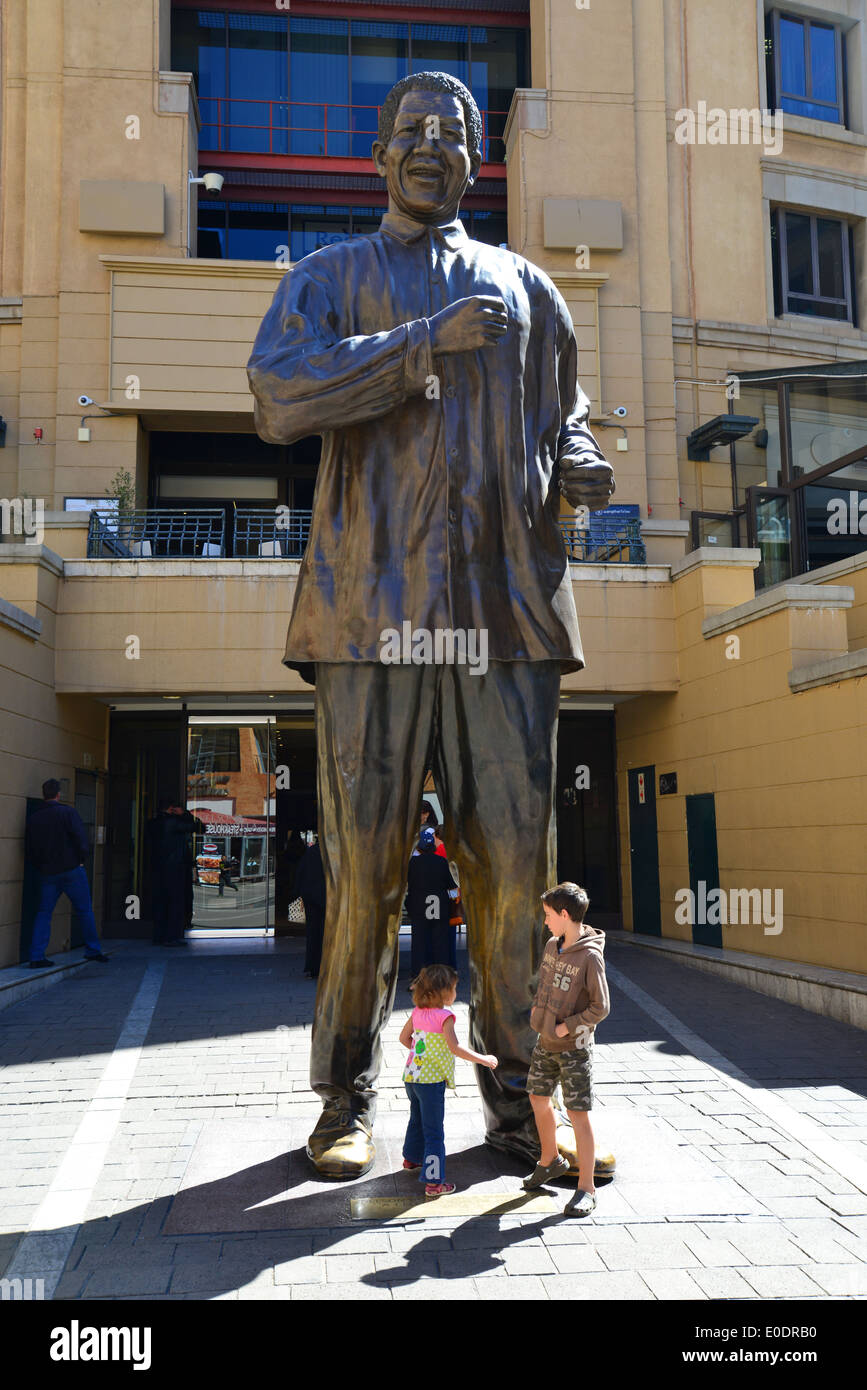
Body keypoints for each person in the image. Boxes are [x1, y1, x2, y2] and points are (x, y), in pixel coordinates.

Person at [248, 69, 615, 1179]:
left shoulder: (530, 289)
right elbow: (279, 397)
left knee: (516, 871)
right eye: (409, 133)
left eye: (451, 134)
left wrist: (580, 467)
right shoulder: (330, 277)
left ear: (475, 158)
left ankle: (522, 1115)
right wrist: (423, 344)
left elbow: (567, 418)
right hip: (373, 619)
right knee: (365, 871)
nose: (430, 148)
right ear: (379, 156)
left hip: (503, 622)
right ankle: (343, 1102)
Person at [522, 882, 610, 1217]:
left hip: (574, 1049)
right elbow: (543, 983)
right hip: (545, 1042)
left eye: (547, 915)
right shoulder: (551, 945)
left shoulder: (589, 956)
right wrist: (537, 1010)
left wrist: (566, 1026)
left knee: (578, 1116)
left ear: (564, 915)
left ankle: (586, 1188)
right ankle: (549, 1160)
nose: (544, 921)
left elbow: (601, 1007)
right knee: (537, 1097)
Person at [399, 963, 497, 1197]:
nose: (455, 993)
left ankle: (411, 1159)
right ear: (441, 992)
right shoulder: (446, 1016)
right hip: (431, 1083)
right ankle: (434, 1182)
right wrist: (484, 1059)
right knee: (434, 1132)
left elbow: (404, 1038)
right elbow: (455, 1048)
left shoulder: (417, 1012)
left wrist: (421, 1050)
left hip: (412, 1076)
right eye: (453, 989)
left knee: (416, 1119)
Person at [25, 778, 109, 966]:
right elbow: (81, 840)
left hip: (48, 872)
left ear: (43, 794)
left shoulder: (35, 818)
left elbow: (30, 848)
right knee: (85, 910)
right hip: (71, 870)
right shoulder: (68, 813)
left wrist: (42, 866)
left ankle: (36, 956)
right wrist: (80, 860)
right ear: (58, 794)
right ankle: (93, 950)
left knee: (44, 913)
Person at [406, 827, 458, 976]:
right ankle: (442, 977)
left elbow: (407, 883)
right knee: (440, 944)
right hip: (439, 907)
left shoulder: (413, 863)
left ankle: (418, 977)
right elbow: (452, 886)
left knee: (419, 944)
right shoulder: (442, 862)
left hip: (418, 907)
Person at [147, 800, 196, 945]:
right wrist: (185, 814)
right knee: (175, 903)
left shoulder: (152, 823)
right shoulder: (174, 822)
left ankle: (159, 936)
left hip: (157, 867)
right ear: (172, 809)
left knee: (160, 902)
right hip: (174, 868)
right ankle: (171, 937)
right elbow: (199, 827)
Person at [296, 836, 326, 978]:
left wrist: (301, 893)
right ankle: (324, 964)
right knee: (324, 933)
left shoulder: (310, 852)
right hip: (325, 898)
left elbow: (300, 874)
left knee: (312, 933)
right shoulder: (331, 853)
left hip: (311, 898)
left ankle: (313, 966)